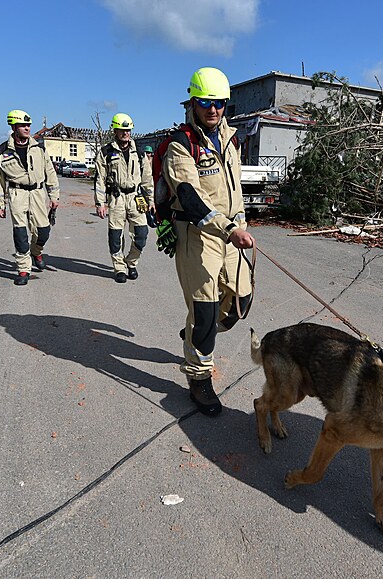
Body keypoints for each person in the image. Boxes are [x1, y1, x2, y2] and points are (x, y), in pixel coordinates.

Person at [162, 67, 255, 416]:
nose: (212, 110)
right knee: (204, 313)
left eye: (218, 103)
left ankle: (194, 335)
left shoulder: (231, 138)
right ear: (192, 103)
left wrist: (241, 223)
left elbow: (235, 190)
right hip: (198, 237)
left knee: (240, 302)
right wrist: (228, 228)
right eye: (204, 102)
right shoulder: (180, 145)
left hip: (233, 234)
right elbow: (189, 195)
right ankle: (199, 378)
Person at [0, 109, 60, 286]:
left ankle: (36, 251)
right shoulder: (2, 151)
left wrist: (54, 195)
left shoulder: (39, 148)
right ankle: (23, 268)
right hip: (17, 194)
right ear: (13, 127)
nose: (27, 128)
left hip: (37, 193)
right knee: (20, 233)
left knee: (43, 230)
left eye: (28, 125)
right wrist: (0, 203)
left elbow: (50, 173)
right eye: (23, 125)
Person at [94, 113, 153, 283]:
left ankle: (131, 262)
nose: (125, 133)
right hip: (116, 197)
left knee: (141, 234)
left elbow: (147, 178)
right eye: (122, 130)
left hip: (136, 198)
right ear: (115, 130)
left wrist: (151, 201)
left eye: (128, 130)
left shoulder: (139, 152)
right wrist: (100, 202)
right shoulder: (106, 152)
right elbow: (100, 179)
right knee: (116, 235)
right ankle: (119, 267)